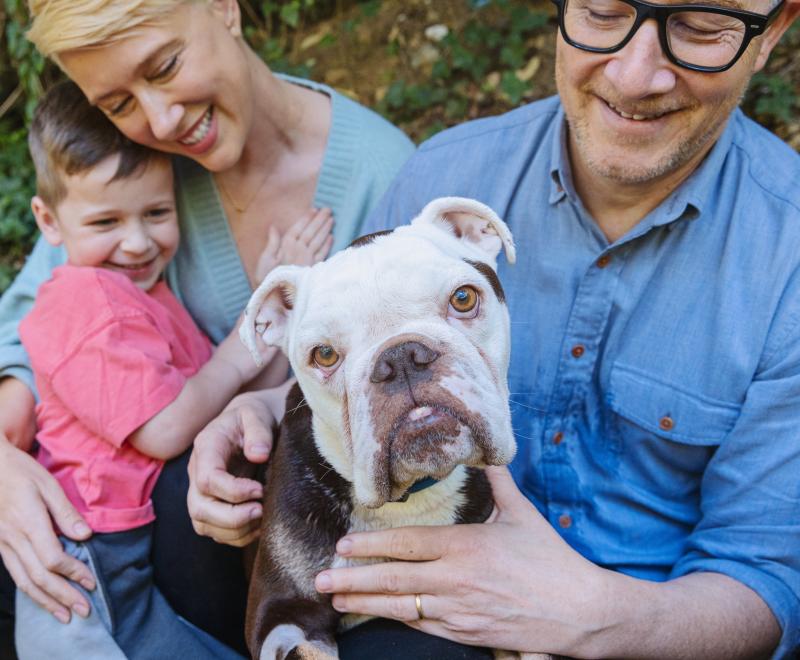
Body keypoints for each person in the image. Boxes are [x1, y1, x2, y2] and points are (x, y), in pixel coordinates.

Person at [187, 0, 800, 657]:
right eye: (602, 11)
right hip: (412, 577)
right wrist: (255, 410)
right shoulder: (447, 174)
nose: (635, 73)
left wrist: (591, 615)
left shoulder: (785, 254)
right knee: (175, 521)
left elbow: (767, 585)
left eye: (703, 27)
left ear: (774, 34)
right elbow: (364, 365)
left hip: (642, 630)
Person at [0, 0, 414, 655]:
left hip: (296, 558)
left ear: (224, 8)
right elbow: (29, 323)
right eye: (117, 104)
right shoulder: (130, 171)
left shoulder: (382, 176)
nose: (158, 120)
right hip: (106, 543)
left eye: (164, 67)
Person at [13, 79, 324, 658]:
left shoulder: (144, 294)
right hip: (82, 555)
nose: (136, 243)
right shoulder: (87, 302)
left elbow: (228, 394)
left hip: (134, 546)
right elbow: (165, 429)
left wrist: (275, 305)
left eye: (155, 213)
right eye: (106, 223)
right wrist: (243, 334)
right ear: (49, 223)